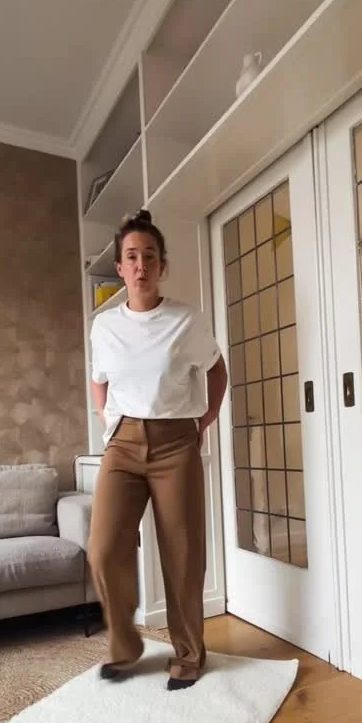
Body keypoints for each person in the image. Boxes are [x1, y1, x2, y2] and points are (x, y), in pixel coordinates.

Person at [88, 209, 228, 690]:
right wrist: (107, 419)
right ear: (120, 268)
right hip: (122, 444)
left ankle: (188, 653)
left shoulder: (187, 319)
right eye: (132, 256)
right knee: (104, 549)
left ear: (162, 266)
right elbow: (99, 379)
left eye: (150, 256)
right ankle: (125, 648)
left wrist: (206, 419)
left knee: (183, 554)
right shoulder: (104, 326)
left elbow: (216, 370)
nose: (141, 264)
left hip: (175, 443)